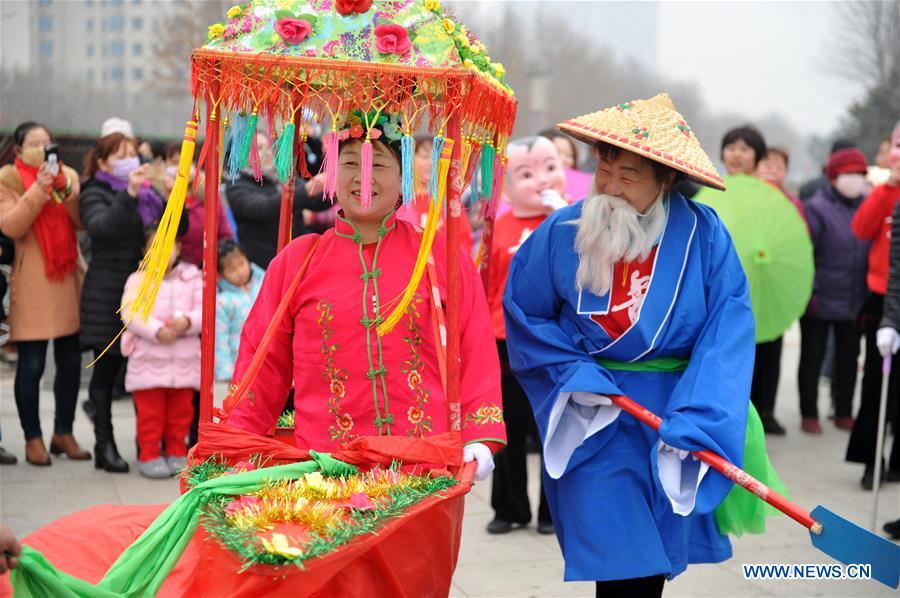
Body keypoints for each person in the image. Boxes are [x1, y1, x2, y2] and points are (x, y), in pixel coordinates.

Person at [504, 94, 754, 595]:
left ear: (666, 179)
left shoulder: (705, 236)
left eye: (629, 176)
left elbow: (727, 332)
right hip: (593, 415)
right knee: (619, 561)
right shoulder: (563, 229)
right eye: (605, 170)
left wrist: (700, 415)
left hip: (673, 416)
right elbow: (525, 311)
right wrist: (572, 374)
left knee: (651, 568)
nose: (611, 188)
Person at [222, 115, 505, 480]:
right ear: (332, 173)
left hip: (425, 470)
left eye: (380, 164)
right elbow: (262, 366)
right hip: (326, 472)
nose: (363, 177)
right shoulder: (298, 261)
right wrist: (234, 445)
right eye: (351, 162)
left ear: (403, 178)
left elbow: (476, 346)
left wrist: (480, 436)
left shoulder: (439, 255)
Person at [486, 136, 566, 536]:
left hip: (555, 343)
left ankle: (554, 512)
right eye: (527, 173)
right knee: (509, 430)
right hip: (504, 343)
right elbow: (486, 284)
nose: (541, 180)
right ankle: (510, 508)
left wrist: (565, 221)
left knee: (554, 431)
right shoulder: (495, 227)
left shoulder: (570, 221)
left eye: (550, 168)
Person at [0, 122, 90, 466]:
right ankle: (32, 438)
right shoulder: (7, 179)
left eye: (47, 142)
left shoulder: (67, 174)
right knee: (32, 365)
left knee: (69, 362)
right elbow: (11, 225)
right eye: (35, 144)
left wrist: (64, 188)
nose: (43, 148)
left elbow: (81, 222)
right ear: (20, 151)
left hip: (66, 278)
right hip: (33, 281)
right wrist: (37, 190)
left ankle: (62, 433)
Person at [80, 132, 155, 473]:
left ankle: (148, 442)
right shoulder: (94, 190)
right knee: (106, 370)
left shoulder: (146, 193)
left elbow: (173, 229)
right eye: (122, 154)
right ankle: (103, 443)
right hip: (106, 291)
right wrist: (129, 194)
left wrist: (168, 195)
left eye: (133, 154)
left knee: (142, 368)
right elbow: (102, 228)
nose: (130, 160)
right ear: (103, 161)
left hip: (140, 288)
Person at [796, 148, 870, 434]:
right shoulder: (816, 208)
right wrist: (810, 292)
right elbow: (804, 254)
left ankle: (843, 410)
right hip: (819, 297)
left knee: (848, 358)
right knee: (812, 357)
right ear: (834, 177)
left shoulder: (867, 206)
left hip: (853, 298)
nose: (854, 179)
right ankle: (809, 412)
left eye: (859, 174)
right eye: (848, 173)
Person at [721, 125, 788, 435]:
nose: (736, 154)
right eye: (731, 146)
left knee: (766, 349)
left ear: (757, 157)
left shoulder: (770, 195)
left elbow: (781, 235)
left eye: (744, 149)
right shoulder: (713, 189)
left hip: (762, 281)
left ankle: (764, 412)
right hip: (723, 281)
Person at [120, 226, 201, 478]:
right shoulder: (137, 280)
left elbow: (206, 308)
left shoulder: (193, 278)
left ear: (178, 249)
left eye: (169, 246)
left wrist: (187, 322)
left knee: (181, 415)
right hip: (148, 362)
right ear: (146, 251)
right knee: (150, 416)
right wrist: (156, 330)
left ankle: (177, 451)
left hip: (184, 363)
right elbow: (130, 313)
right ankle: (149, 454)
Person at [849, 121, 900, 489]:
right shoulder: (884, 192)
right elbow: (861, 228)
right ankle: (871, 460)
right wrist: (889, 187)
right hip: (883, 298)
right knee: (876, 384)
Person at [225, 132, 331, 269]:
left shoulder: (280, 174)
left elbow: (315, 202)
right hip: (266, 260)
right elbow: (265, 208)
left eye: (267, 147)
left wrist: (329, 189)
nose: (267, 152)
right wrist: (306, 189)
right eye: (258, 148)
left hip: (297, 250)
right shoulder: (236, 185)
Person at [165, 149, 234, 268]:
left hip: (211, 266)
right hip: (178, 269)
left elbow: (225, 233)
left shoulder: (209, 192)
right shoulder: (162, 196)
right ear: (167, 164)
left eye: (187, 161)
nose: (181, 166)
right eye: (176, 162)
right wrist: (171, 196)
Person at [214, 239, 264, 382]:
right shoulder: (222, 301)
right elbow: (220, 340)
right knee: (237, 402)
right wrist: (225, 375)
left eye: (241, 264)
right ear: (221, 275)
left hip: (267, 360)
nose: (240, 272)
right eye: (232, 270)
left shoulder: (264, 282)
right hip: (239, 366)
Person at [756, 146, 805, 220]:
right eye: (768, 166)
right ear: (756, 168)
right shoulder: (744, 198)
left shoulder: (793, 204)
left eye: (779, 168)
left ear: (785, 172)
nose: (773, 171)